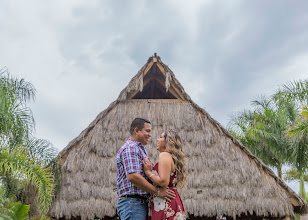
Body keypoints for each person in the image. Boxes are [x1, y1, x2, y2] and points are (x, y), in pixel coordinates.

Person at [116, 118, 175, 220]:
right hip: (132, 203)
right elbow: (133, 176)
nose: (150, 135)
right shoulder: (131, 148)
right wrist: (157, 192)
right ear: (137, 131)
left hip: (137, 203)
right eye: (147, 131)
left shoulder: (140, 148)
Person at [143, 130, 186, 220]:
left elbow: (163, 182)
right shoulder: (171, 158)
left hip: (165, 202)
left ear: (168, 141)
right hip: (169, 199)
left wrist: (148, 172)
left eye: (161, 137)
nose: (158, 140)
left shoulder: (164, 155)